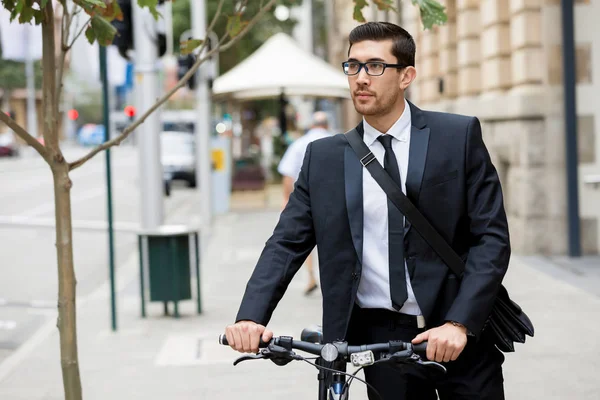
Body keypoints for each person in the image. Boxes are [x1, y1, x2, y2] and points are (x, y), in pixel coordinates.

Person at [225, 21, 510, 400]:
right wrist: (250, 316)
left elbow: (491, 238)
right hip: (379, 344)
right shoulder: (323, 158)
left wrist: (459, 323)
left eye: (375, 66)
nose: (361, 78)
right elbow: (286, 243)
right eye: (353, 66)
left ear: (406, 75)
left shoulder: (456, 137)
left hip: (459, 332)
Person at [276, 111, 332, 295]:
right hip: (334, 199)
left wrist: (287, 199)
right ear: (326, 125)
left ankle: (311, 277)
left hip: (307, 199)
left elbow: (287, 174)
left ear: (311, 125)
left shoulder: (299, 144)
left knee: (305, 238)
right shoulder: (337, 140)